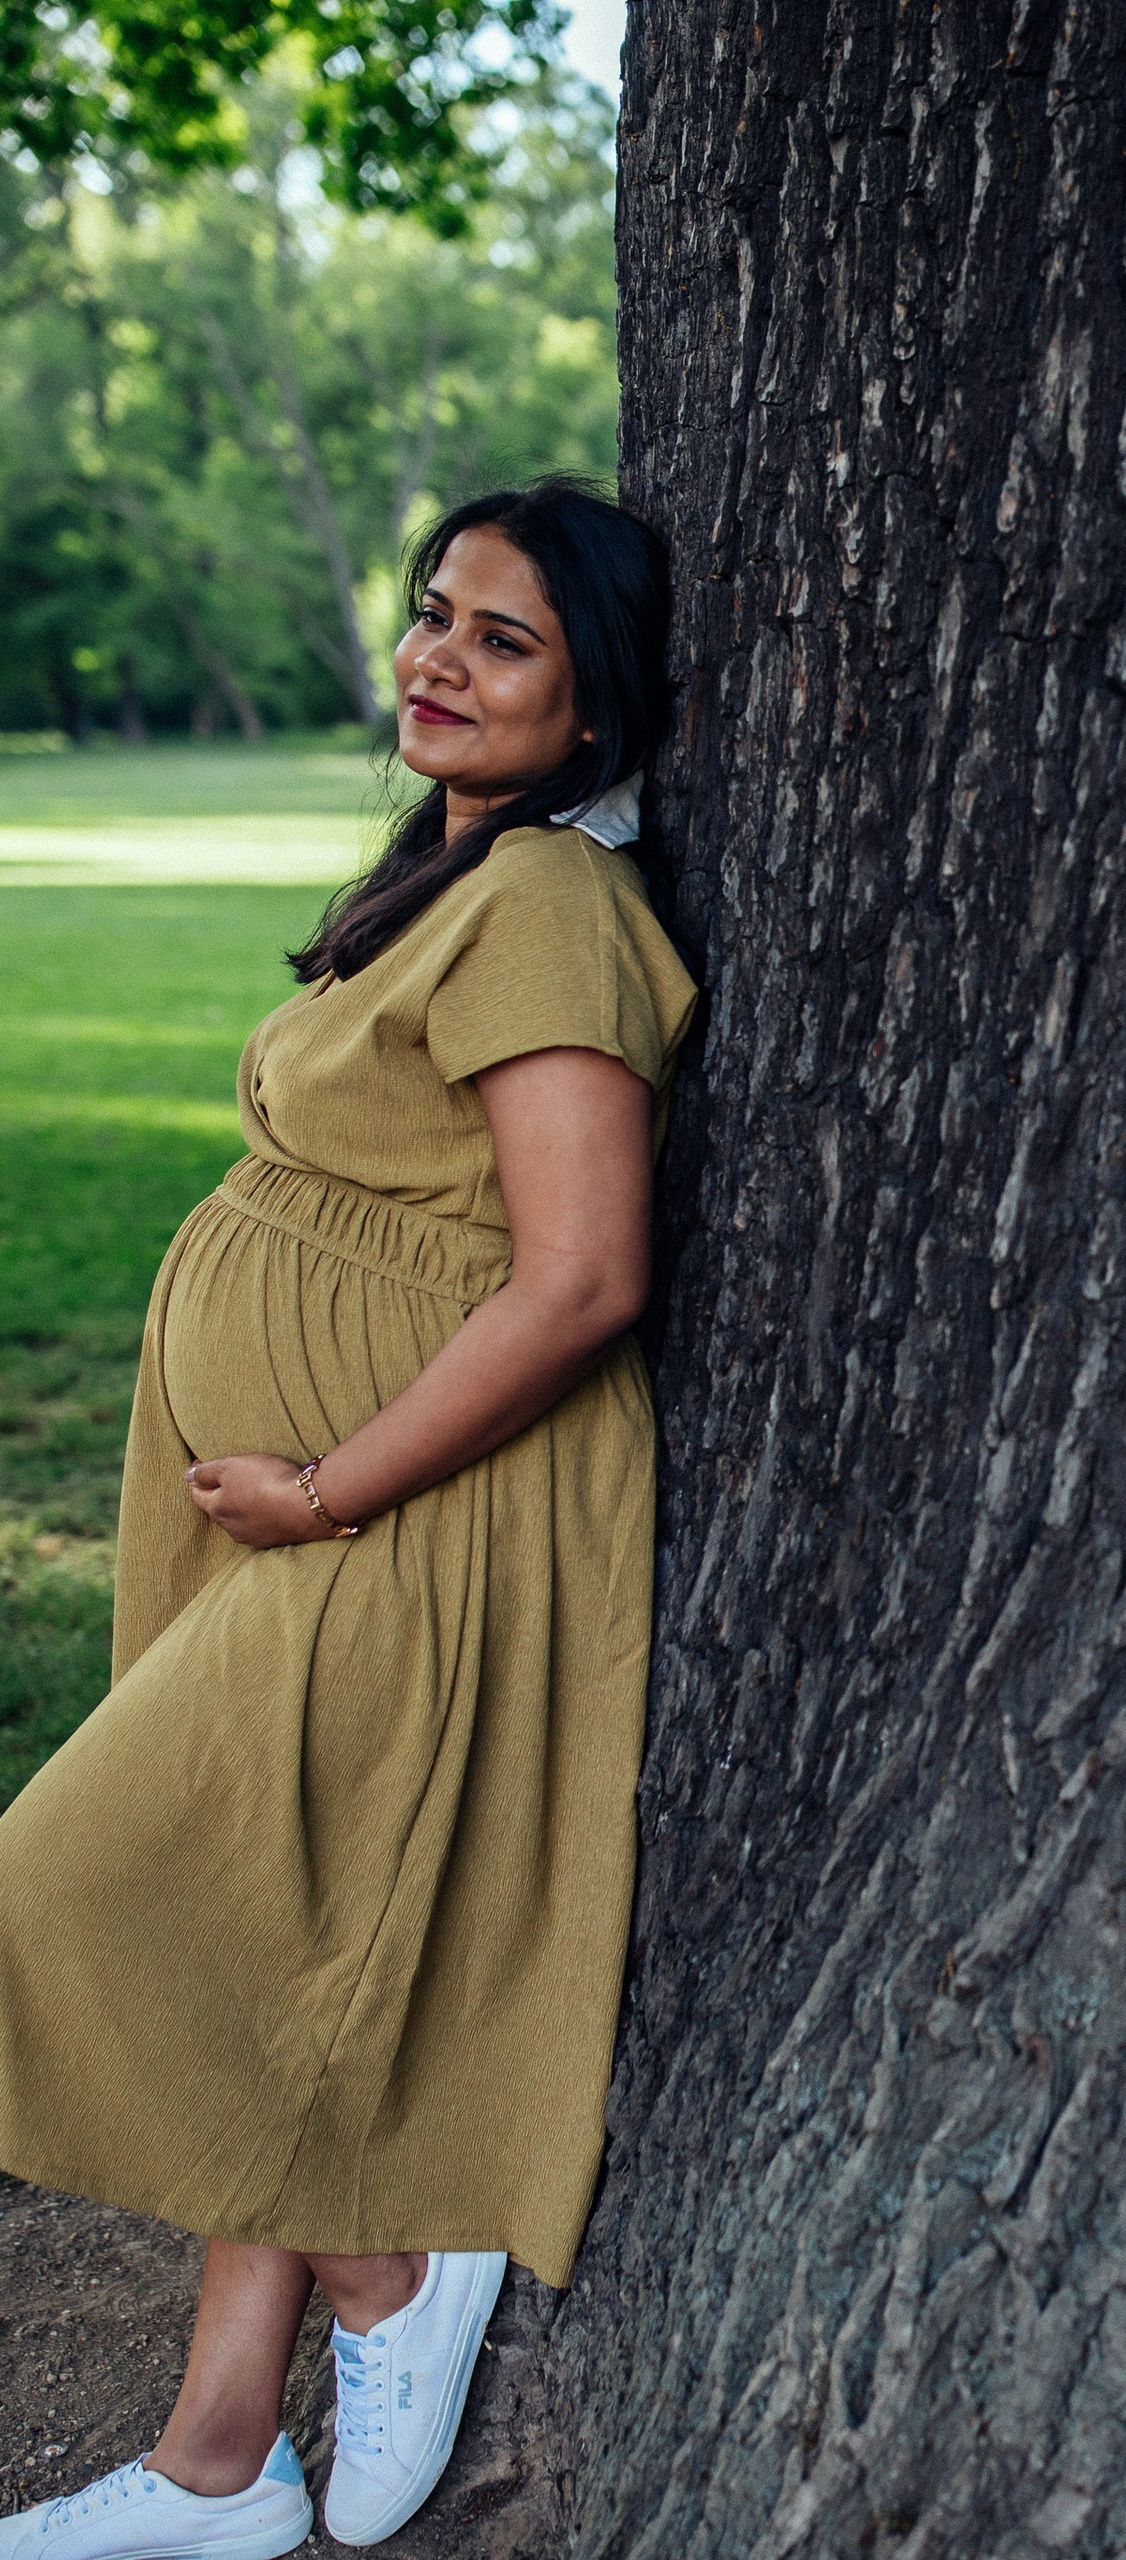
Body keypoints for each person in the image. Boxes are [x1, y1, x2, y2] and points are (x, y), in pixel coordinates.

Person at [0, 480, 699, 2557]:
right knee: (266, 1916)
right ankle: (223, 2452)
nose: (436, 657)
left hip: (408, 1506)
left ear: (593, 710)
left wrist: (326, 1482)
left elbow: (580, 1274)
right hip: (307, 1500)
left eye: (504, 640)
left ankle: (396, 2271)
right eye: (434, 613)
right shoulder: (455, 881)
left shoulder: (557, 905)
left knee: (85, 1887)